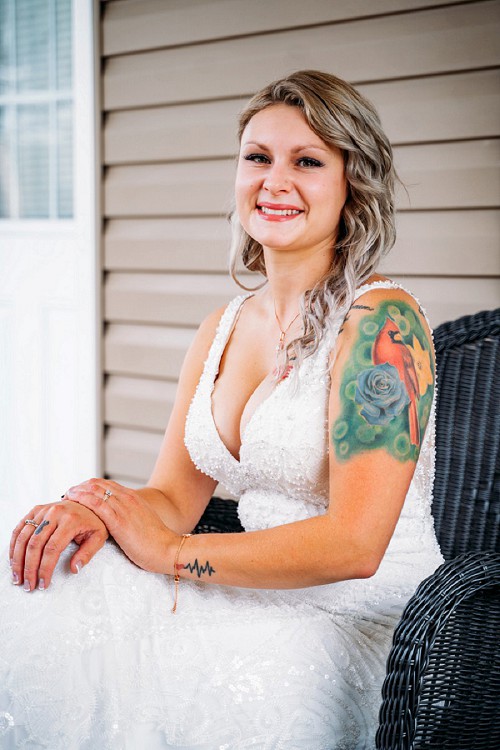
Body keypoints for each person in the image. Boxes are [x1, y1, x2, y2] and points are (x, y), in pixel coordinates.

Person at [0, 70, 443, 749]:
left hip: (361, 623)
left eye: (307, 161)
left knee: (175, 675)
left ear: (352, 183)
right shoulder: (223, 326)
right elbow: (174, 496)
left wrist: (173, 553)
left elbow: (356, 545)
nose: (274, 180)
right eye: (258, 157)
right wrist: (96, 510)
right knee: (51, 598)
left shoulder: (383, 325)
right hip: (249, 593)